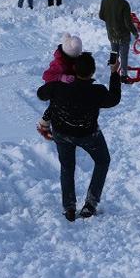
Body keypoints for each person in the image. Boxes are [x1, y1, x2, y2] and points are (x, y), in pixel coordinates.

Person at [36, 53, 122, 222]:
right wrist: (114, 72)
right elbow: (114, 99)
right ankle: (90, 204)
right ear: (93, 72)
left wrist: (60, 77)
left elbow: (41, 94)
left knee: (67, 167)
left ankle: (69, 207)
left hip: (62, 133)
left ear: (74, 69)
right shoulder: (97, 91)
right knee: (103, 161)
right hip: (87, 134)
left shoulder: (59, 87)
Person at [98, 0, 139, 83]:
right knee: (124, 55)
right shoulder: (124, 4)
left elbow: (101, 16)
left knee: (114, 51)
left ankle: (113, 70)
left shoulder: (105, 1)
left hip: (111, 32)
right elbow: (128, 23)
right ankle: (123, 76)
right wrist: (135, 32)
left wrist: (111, 21)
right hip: (123, 35)